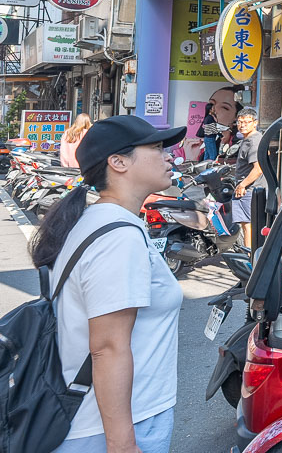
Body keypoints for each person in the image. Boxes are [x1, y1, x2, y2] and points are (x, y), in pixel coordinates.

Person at [28, 115, 186, 453]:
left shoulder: (102, 221)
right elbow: (108, 347)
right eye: (157, 148)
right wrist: (122, 444)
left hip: (111, 418)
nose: (170, 156)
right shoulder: (117, 236)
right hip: (112, 428)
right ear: (118, 162)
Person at [231, 107, 266, 247]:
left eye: (247, 122)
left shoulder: (253, 141)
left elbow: (258, 169)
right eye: (240, 122)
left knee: (248, 227)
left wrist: (242, 185)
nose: (243, 125)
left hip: (249, 190)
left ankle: (249, 260)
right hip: (254, 189)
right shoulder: (252, 139)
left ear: (255, 123)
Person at [201, 86, 242, 160]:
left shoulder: (237, 138)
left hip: (209, 138)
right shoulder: (210, 119)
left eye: (224, 107)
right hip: (210, 138)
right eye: (213, 104)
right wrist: (220, 134)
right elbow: (212, 129)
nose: (216, 109)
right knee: (212, 155)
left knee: (208, 154)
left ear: (237, 115)